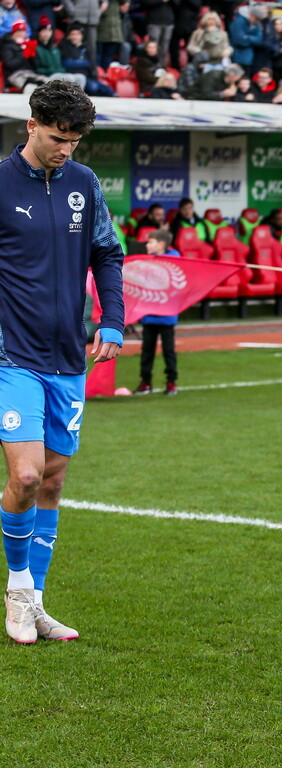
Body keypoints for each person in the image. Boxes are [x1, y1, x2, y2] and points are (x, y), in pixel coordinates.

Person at [1, 80, 124, 644]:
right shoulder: (0, 184)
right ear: (31, 126)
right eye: (57, 137)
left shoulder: (83, 183)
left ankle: (39, 602)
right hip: (11, 357)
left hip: (67, 357)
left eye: (74, 140)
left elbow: (107, 253)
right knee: (25, 475)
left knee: (52, 481)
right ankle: (19, 590)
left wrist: (112, 319)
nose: (65, 149)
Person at [134, 229, 180, 396]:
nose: (147, 245)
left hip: (167, 315)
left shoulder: (175, 260)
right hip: (149, 315)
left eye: (150, 242)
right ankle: (145, 382)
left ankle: (171, 382)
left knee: (169, 351)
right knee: (147, 351)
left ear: (161, 244)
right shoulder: (145, 261)